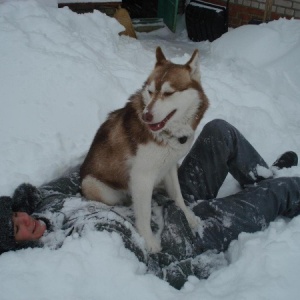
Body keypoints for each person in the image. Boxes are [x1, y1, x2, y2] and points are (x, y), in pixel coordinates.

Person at [0, 119, 299, 289]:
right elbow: (146, 279)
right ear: (17, 247)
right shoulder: (70, 264)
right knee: (285, 190)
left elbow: (84, 171)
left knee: (219, 133)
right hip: (191, 234)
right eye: (17, 229)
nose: (26, 220)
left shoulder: (49, 203)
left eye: (17, 214)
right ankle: (275, 187)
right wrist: (204, 264)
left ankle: (262, 175)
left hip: (170, 197)